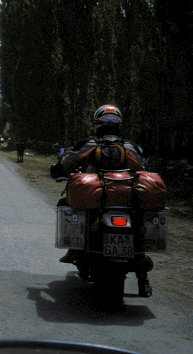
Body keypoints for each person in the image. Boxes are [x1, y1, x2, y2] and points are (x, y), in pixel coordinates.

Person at [59, 104, 152, 298]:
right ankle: (143, 280)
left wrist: (59, 169)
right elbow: (142, 168)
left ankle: (75, 248)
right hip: (126, 200)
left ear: (97, 123)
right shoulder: (129, 146)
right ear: (119, 124)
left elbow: (69, 163)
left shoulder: (90, 144)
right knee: (141, 219)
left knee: (65, 204)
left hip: (98, 199)